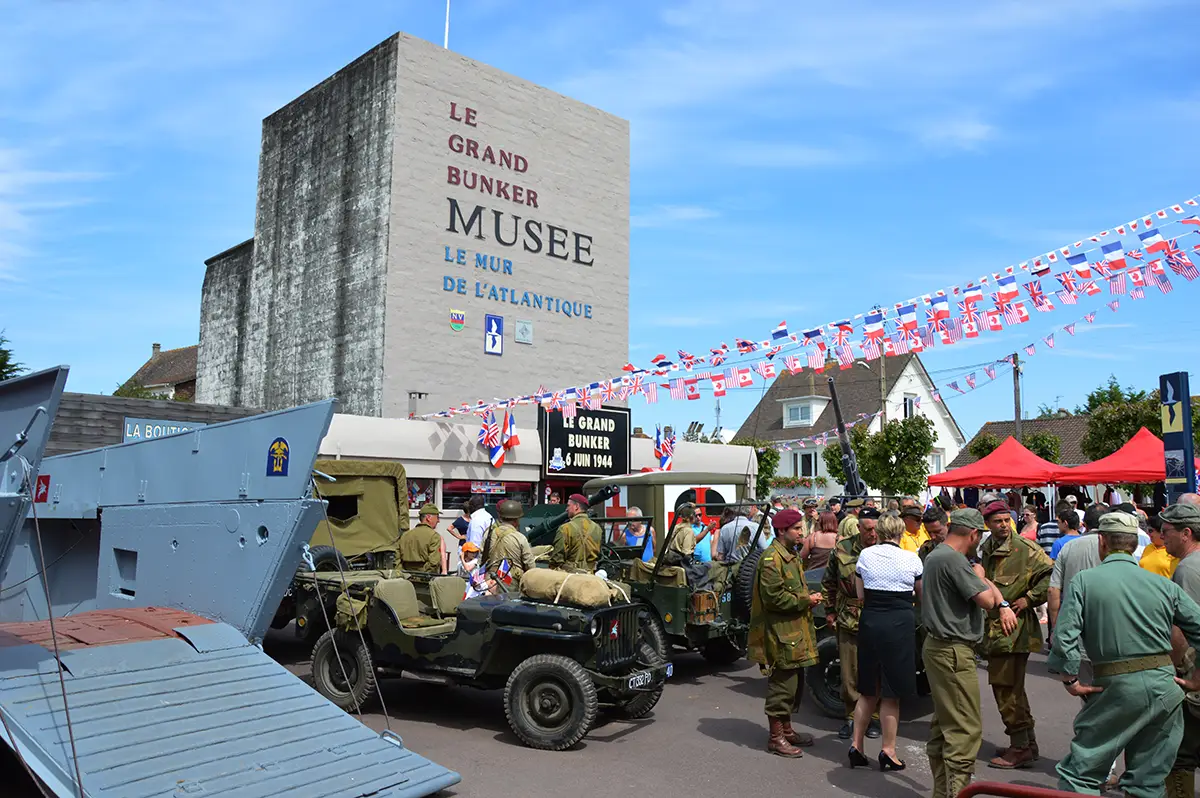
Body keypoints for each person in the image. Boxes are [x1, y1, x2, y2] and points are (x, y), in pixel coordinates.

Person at [1050, 511, 1200, 798]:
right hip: (1163, 688)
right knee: (1147, 781)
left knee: (1079, 775)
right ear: (1134, 544)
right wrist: (1197, 676)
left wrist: (1070, 678)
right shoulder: (1163, 584)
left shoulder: (1084, 582)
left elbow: (1064, 634)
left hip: (1115, 688)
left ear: (1102, 542)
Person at [923, 509, 1011, 798]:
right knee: (964, 729)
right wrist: (982, 576)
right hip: (953, 651)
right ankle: (956, 793)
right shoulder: (953, 560)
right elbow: (987, 600)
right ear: (973, 534)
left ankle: (942, 791)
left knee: (944, 725)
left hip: (939, 647)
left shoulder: (937, 555)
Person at [978, 498, 1053, 769]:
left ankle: (1020, 747)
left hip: (1014, 630)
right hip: (995, 629)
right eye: (997, 522)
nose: (1004, 526)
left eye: (1006, 520)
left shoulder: (1025, 548)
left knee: (1006, 689)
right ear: (987, 524)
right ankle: (1026, 743)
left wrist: (1029, 599)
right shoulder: (986, 547)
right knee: (1012, 689)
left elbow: (1050, 575)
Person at [848, 511, 923, 771]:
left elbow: (859, 594)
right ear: (901, 533)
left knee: (868, 689)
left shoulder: (865, 555)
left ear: (878, 532)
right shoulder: (911, 558)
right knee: (892, 693)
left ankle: (856, 745)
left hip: (871, 621)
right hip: (899, 624)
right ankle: (888, 750)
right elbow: (920, 595)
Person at [748, 507, 822, 758]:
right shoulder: (772, 558)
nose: (802, 533)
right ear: (782, 531)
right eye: (797, 529)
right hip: (781, 635)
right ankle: (775, 737)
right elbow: (774, 598)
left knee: (794, 683)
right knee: (782, 685)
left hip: (792, 633)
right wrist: (806, 600)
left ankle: (787, 729)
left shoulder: (788, 555)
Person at [822, 507, 881, 741]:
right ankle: (851, 718)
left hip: (877, 618)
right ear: (858, 528)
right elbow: (829, 582)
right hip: (848, 618)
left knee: (875, 672)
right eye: (868, 529)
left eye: (876, 529)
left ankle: (873, 718)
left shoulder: (886, 550)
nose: (873, 534)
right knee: (849, 675)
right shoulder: (842, 549)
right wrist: (829, 611)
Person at [1163, 503, 1200, 795]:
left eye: (1167, 532)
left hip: (1194, 673)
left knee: (1181, 754)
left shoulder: (1188, 569)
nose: (1163, 538)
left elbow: (1187, 629)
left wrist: (1187, 673)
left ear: (1186, 533)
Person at [483, 500, 538, 583]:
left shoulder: (489, 533)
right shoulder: (520, 538)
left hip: (491, 580)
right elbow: (530, 565)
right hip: (512, 582)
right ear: (516, 520)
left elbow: (481, 556)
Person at [549, 493, 601, 571]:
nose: (566, 509)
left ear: (576, 507)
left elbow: (556, 559)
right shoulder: (597, 528)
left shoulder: (565, 529)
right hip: (591, 575)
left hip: (571, 577)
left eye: (568, 505)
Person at [398, 502, 446, 573]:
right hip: (425, 579)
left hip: (406, 577)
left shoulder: (405, 535)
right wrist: (422, 574)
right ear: (428, 517)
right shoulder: (434, 536)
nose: (438, 521)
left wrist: (404, 574)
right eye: (437, 517)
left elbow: (397, 559)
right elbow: (434, 562)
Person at [1140, 513, 1178, 578]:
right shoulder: (1148, 548)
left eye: (1150, 531)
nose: (1147, 533)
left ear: (1161, 532)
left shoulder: (1173, 550)